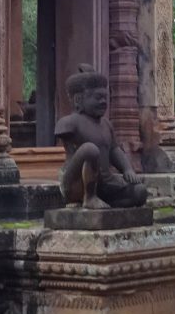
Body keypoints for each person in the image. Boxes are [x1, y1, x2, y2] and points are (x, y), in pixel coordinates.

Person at [56, 64, 148, 208]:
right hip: (76, 184)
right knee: (89, 149)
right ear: (78, 100)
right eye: (98, 98)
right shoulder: (70, 122)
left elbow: (114, 150)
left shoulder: (106, 124)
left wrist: (127, 169)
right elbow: (74, 153)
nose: (103, 102)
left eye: (105, 98)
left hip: (106, 183)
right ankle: (89, 197)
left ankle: (104, 203)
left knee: (140, 192)